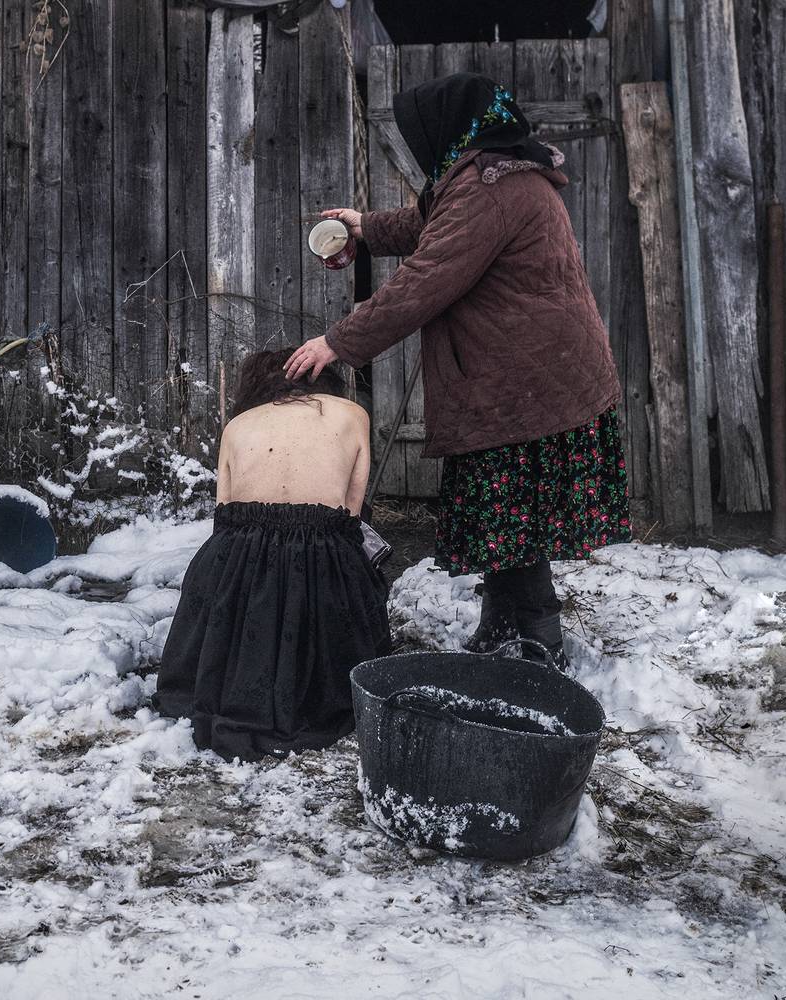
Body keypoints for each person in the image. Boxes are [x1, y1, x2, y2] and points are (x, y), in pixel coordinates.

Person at [284, 72, 629, 670]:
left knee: (516, 519)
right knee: (509, 519)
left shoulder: (490, 189)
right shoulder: (490, 175)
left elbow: (427, 279)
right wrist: (364, 229)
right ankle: (504, 629)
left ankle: (539, 645)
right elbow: (431, 225)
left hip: (526, 381)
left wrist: (338, 342)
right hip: (527, 377)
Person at [154, 350, 392, 762]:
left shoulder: (237, 426)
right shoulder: (353, 415)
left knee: (225, 567)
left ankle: (241, 671)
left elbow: (224, 514)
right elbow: (350, 515)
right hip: (321, 551)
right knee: (347, 568)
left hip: (237, 551)